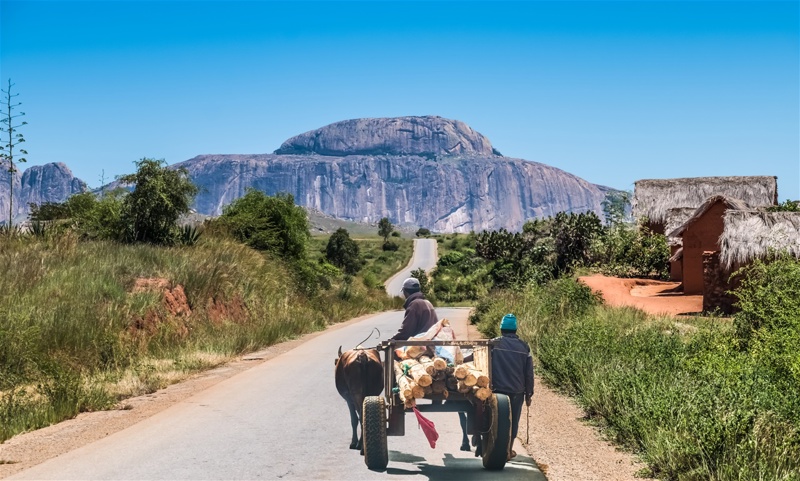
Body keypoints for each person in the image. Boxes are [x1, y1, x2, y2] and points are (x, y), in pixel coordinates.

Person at [491, 313, 534, 460]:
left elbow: (477, 356)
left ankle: (493, 447)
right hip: (517, 391)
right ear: (515, 330)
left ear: (502, 329)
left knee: (493, 418)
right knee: (513, 421)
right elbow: (529, 374)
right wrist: (529, 394)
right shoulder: (524, 347)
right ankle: (508, 451)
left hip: (496, 390)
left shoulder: (493, 344)